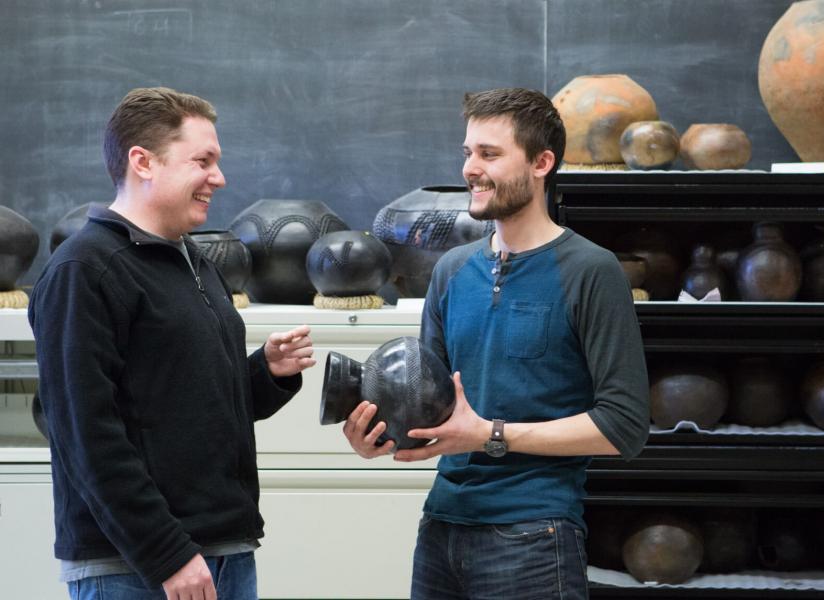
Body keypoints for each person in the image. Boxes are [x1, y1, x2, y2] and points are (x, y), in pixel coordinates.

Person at [343, 88, 649, 598]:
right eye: (468, 152)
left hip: (533, 536)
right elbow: (433, 409)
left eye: (489, 154)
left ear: (541, 162)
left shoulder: (592, 271)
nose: (470, 168)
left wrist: (489, 434)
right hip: (441, 528)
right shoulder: (451, 270)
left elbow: (623, 426)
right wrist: (382, 435)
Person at [28, 87, 316, 600]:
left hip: (222, 552)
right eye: (202, 161)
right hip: (137, 566)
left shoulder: (194, 263)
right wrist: (166, 554)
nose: (219, 178)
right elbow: (84, 432)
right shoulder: (84, 270)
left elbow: (191, 405)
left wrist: (267, 373)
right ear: (143, 162)